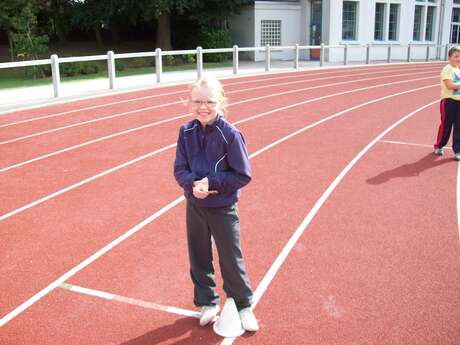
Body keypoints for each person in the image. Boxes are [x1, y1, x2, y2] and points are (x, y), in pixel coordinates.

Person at [174, 76, 259, 332]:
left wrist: (209, 182)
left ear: (220, 102)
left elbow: (242, 175)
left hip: (222, 208)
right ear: (189, 102)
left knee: (231, 258)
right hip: (195, 206)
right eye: (198, 101)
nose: (203, 107)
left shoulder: (231, 134)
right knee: (198, 255)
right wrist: (193, 184)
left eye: (209, 101)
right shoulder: (185, 131)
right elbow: (179, 169)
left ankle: (243, 305)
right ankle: (207, 302)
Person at [434, 45, 460, 159]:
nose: (458, 58)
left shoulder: (458, 70)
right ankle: (439, 146)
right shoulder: (447, 69)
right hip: (449, 102)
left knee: (459, 127)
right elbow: (449, 86)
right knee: (446, 125)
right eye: (456, 56)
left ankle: (457, 151)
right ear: (449, 57)